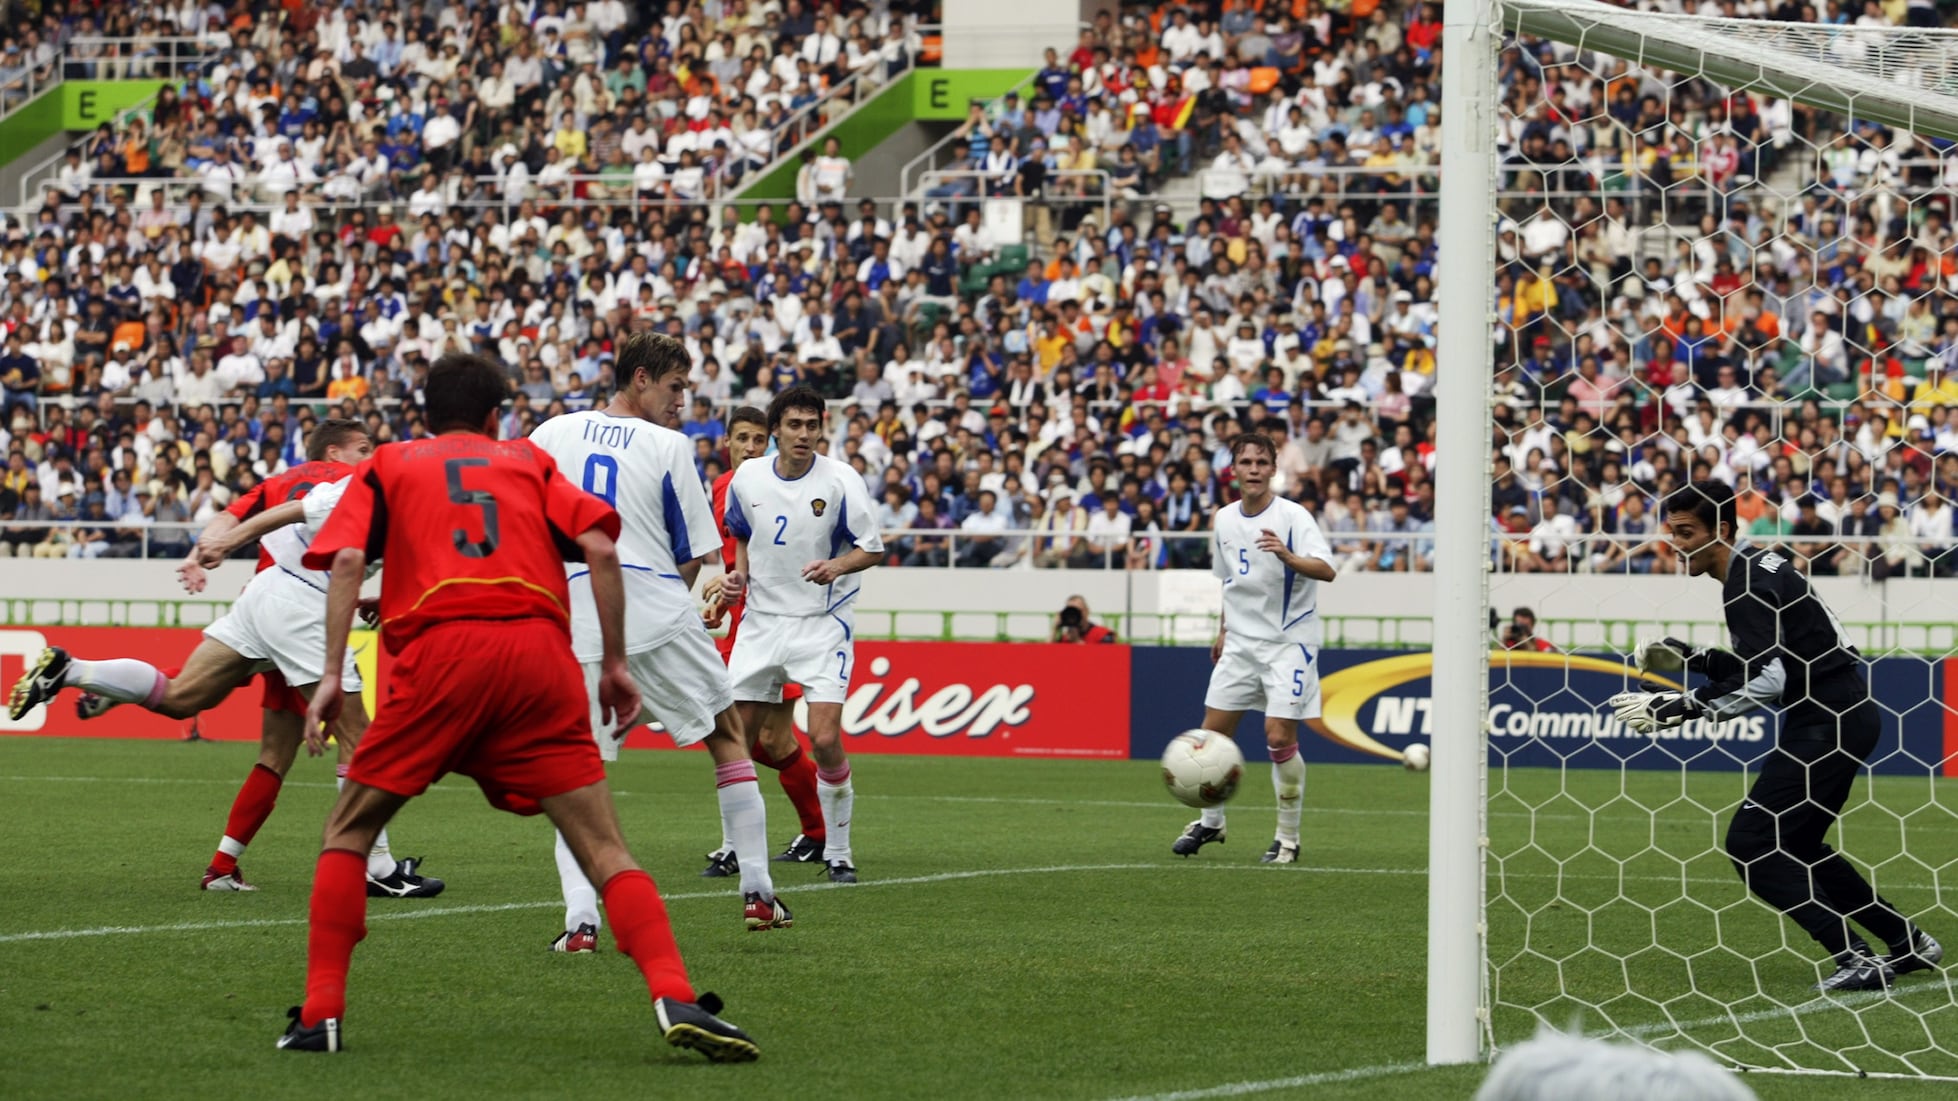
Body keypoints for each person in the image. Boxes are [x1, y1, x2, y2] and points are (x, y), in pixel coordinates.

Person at [281, 352, 757, 1059]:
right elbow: (599, 545)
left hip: (438, 659)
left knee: (349, 831)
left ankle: (321, 1011)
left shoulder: (391, 461)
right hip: (536, 656)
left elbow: (347, 560)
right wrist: (618, 663)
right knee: (604, 843)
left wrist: (328, 673)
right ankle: (674, 990)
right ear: (497, 414)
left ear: (423, 413)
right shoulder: (525, 463)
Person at [9, 419, 437, 899]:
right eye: (364, 446)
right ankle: (374, 867)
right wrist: (224, 546)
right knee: (357, 735)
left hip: (262, 596)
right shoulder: (359, 482)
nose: (373, 452)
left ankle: (72, 670)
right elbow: (296, 515)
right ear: (335, 451)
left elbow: (233, 516)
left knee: (181, 697)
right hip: (302, 608)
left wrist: (206, 548)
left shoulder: (286, 481)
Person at [1609, 480, 1940, 993]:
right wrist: (1690, 657)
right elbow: (1775, 662)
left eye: (1685, 531)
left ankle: (1854, 955)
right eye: (1670, 531)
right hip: (1843, 711)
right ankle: (1906, 941)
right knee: (1800, 842)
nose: (1675, 542)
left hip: (1827, 719)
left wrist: (1677, 707)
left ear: (1720, 529)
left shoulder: (1743, 583)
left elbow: (1767, 679)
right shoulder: (1759, 566)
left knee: (1752, 842)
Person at [528, 333, 790, 946]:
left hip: (576, 617)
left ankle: (580, 924)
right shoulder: (670, 445)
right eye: (676, 387)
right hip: (652, 602)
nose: (682, 401)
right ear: (640, 379)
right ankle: (758, 894)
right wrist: (684, 606)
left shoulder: (549, 434)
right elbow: (699, 555)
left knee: (577, 776)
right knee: (727, 738)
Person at [720, 386, 884, 884]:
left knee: (826, 736)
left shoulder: (840, 479)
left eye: (812, 426)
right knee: (736, 744)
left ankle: (838, 851)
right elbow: (742, 530)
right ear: (776, 430)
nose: (805, 435)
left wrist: (838, 565)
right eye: (794, 425)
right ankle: (736, 850)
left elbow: (872, 548)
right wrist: (739, 576)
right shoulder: (747, 478)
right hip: (762, 623)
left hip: (821, 624)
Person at [1172, 434, 1336, 864]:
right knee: (1211, 737)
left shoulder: (1294, 516)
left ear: (1273, 468)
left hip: (1290, 644)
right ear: (1234, 470)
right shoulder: (1224, 519)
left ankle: (1287, 838)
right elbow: (1228, 580)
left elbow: (1327, 569)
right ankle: (1211, 823)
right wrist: (1223, 630)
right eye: (1246, 461)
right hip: (1241, 643)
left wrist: (1287, 556)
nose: (1254, 469)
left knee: (1279, 737)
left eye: (1262, 462)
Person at [701, 405, 831, 873]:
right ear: (728, 444)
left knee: (745, 737)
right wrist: (722, 595)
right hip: (744, 626)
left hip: (782, 627)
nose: (752, 448)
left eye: (760, 440)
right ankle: (819, 832)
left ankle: (737, 846)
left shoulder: (784, 489)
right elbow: (736, 560)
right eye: (743, 439)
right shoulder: (721, 489)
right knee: (766, 743)